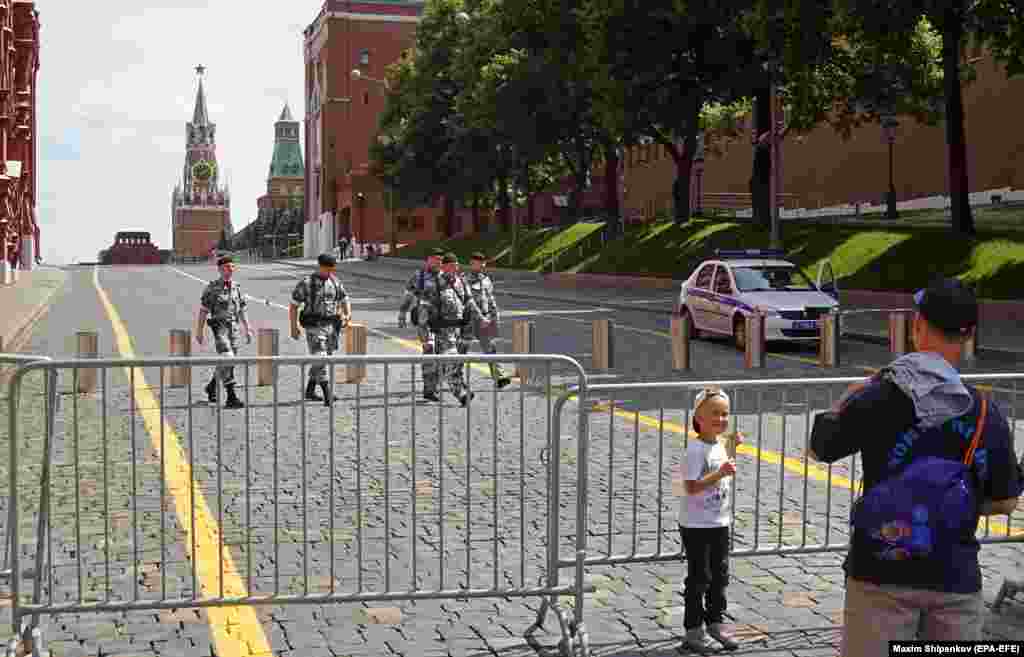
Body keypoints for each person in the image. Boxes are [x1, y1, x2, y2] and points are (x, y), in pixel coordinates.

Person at [809, 277, 1021, 653]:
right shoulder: (986, 411)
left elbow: (820, 449)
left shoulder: (878, 394)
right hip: (954, 578)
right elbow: (1004, 502)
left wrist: (847, 399)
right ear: (968, 334)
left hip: (879, 574)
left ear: (918, 326)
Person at [679, 387, 741, 652]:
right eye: (714, 413)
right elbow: (691, 487)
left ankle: (715, 622)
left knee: (720, 576)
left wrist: (732, 448)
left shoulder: (718, 445)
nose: (721, 419)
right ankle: (693, 630)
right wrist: (721, 473)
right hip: (696, 525)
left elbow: (725, 470)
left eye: (725, 414)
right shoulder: (694, 450)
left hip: (719, 522)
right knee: (699, 577)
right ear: (699, 419)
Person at [290, 252, 352, 405]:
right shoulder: (307, 283)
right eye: (327, 269)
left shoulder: (334, 282)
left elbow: (345, 298)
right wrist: (293, 327)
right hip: (314, 326)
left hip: (331, 327)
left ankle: (310, 390)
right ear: (319, 266)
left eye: (332, 269)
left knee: (321, 359)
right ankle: (327, 394)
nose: (330, 272)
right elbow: (293, 305)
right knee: (321, 357)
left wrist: (347, 313)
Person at [196, 254, 253, 409]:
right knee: (228, 357)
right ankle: (231, 397)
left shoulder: (236, 287)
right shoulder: (212, 288)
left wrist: (248, 328)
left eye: (232, 266)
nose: (231, 269)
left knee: (229, 361)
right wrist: (199, 331)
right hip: (219, 327)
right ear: (220, 269)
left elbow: (242, 309)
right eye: (228, 267)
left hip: (233, 328)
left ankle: (212, 386)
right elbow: (203, 311)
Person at [433, 252, 489, 406]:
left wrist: (481, 318)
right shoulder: (435, 283)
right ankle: (460, 394)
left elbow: (470, 302)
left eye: (456, 265)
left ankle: (435, 384)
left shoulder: (461, 282)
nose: (454, 268)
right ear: (443, 267)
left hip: (459, 329)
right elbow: (425, 307)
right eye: (451, 265)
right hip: (443, 330)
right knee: (452, 359)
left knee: (454, 363)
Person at [459, 252, 511, 389]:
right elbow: (467, 301)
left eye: (482, 262)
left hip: (485, 319)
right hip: (469, 320)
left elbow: (490, 298)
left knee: (490, 348)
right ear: (471, 263)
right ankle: (455, 377)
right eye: (477, 262)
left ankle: (499, 376)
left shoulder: (486, 280)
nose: (481, 265)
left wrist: (495, 315)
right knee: (462, 350)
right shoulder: (463, 279)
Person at [398, 249, 445, 401]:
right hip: (424, 321)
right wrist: (402, 313)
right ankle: (428, 388)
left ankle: (435, 385)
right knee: (429, 350)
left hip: (443, 322)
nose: (438, 262)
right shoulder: (419, 276)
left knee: (442, 354)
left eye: (440, 260)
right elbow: (408, 295)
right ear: (428, 260)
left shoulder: (446, 277)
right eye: (435, 259)